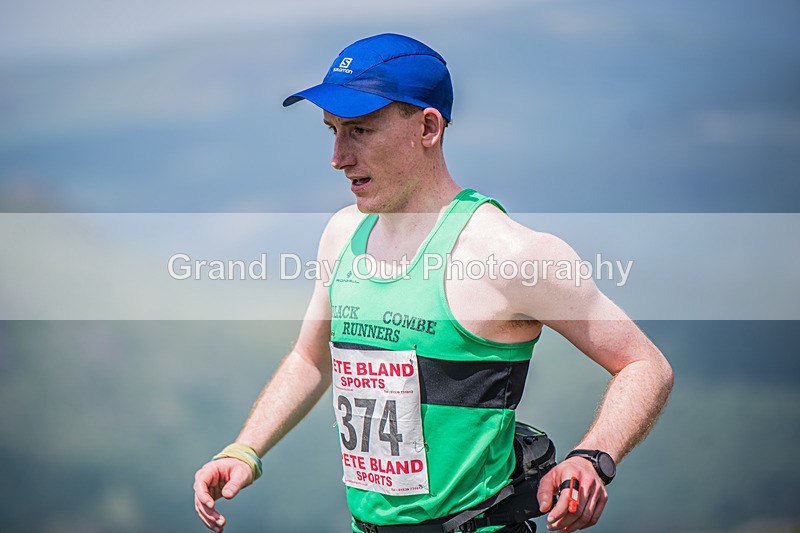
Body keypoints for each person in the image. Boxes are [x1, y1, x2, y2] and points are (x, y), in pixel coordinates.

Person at [193, 33, 673, 533]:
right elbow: (309, 359)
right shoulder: (343, 233)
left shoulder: (509, 254)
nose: (338, 157)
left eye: (359, 131)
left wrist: (593, 458)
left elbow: (645, 365)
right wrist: (245, 450)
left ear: (428, 126)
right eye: (331, 130)